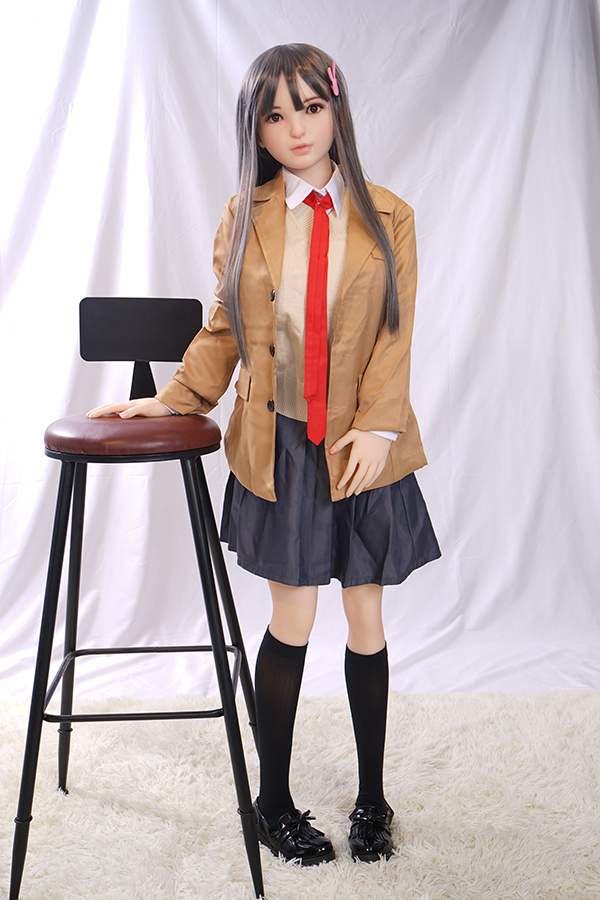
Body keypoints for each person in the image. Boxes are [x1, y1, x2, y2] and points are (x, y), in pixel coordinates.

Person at [88, 43, 441, 866]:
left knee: (366, 617)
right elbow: (225, 330)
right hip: (281, 440)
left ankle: (373, 799)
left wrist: (379, 428)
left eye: (310, 108)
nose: (296, 129)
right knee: (294, 618)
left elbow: (396, 334)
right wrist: (173, 397)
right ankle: (272, 803)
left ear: (336, 110)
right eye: (275, 116)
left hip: (361, 444)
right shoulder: (244, 214)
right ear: (256, 129)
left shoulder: (388, 216)